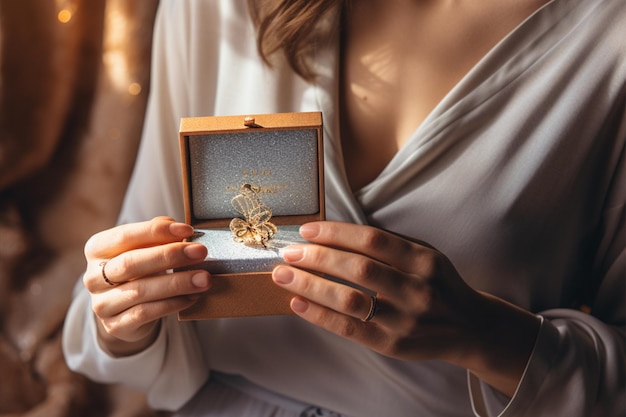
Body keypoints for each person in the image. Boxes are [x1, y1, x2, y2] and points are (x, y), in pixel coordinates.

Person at [62, 0, 625, 416]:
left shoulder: (610, 42)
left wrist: (483, 333)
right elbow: (132, 293)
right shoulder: (220, 8)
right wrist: (123, 314)